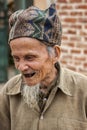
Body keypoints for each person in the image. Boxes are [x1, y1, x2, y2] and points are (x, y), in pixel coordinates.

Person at [0, 3, 87, 130]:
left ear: (55, 54)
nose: (21, 67)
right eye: (16, 58)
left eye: (30, 57)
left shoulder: (83, 91)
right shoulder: (8, 93)